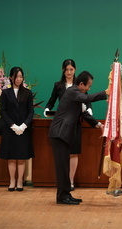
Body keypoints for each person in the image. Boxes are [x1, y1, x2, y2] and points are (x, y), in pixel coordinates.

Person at [48, 71, 107, 205]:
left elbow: (84, 113)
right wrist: (106, 93)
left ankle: (66, 194)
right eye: (88, 86)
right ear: (81, 84)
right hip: (59, 134)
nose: (89, 89)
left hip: (64, 134)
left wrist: (98, 125)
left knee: (65, 166)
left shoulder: (76, 95)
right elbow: (88, 99)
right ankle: (62, 197)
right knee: (62, 167)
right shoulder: (72, 92)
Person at [44, 59, 94, 191]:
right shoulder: (58, 85)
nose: (69, 72)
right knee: (62, 153)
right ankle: (64, 182)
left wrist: (89, 110)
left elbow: (87, 99)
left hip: (76, 122)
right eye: (67, 70)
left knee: (74, 152)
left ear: (75, 70)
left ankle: (71, 180)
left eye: (71, 69)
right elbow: (52, 100)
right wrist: (47, 108)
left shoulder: (80, 84)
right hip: (62, 124)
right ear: (63, 70)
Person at [0, 67, 34, 191]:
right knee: (11, 156)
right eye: (16, 76)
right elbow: (3, 111)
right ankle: (12, 180)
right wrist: (12, 125)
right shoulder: (6, 92)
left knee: (22, 156)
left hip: (24, 129)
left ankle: (20, 181)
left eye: (20, 76)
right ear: (11, 77)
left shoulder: (27, 93)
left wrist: (24, 125)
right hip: (10, 129)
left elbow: (31, 111)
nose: (18, 79)